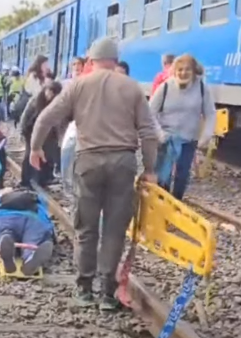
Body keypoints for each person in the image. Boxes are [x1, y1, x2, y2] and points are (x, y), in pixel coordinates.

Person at [27, 38, 159, 311]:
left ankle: (84, 289)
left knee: (86, 228)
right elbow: (148, 132)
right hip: (123, 162)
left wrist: (36, 147)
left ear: (91, 60)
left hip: (88, 160)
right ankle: (108, 294)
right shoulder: (132, 87)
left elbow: (45, 118)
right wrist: (150, 169)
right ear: (114, 59)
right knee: (114, 229)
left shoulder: (78, 85)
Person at [150, 54, 216, 200]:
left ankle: (177, 202)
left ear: (194, 71)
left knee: (182, 175)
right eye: (179, 70)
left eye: (187, 70)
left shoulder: (202, 88)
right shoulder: (165, 87)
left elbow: (210, 113)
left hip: (189, 139)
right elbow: (150, 113)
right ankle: (162, 205)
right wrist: (159, 134)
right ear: (174, 71)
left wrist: (206, 136)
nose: (183, 73)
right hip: (167, 138)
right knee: (163, 175)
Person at [0, 187, 54, 276]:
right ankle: (30, 256)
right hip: (33, 219)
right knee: (33, 240)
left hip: (5, 218)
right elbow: (46, 220)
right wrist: (48, 235)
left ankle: (4, 239)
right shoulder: (36, 200)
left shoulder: (1, 200)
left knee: (4, 232)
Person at [19, 81, 63, 189]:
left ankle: (43, 179)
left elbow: (58, 121)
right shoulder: (35, 101)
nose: (50, 95)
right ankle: (27, 180)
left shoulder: (57, 103)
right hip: (31, 131)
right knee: (30, 154)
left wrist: (59, 136)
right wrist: (22, 131)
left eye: (53, 93)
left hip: (48, 133)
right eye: (49, 92)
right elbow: (25, 117)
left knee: (48, 155)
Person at [57, 57, 89, 190]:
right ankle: (67, 184)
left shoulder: (87, 82)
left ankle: (75, 184)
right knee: (66, 152)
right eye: (74, 65)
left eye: (79, 64)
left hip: (80, 123)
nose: (76, 67)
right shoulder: (65, 83)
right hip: (66, 123)